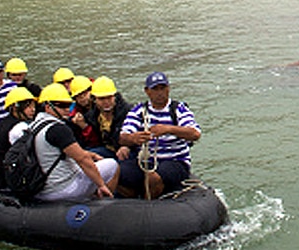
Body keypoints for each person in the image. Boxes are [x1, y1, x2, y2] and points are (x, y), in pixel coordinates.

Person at [117, 71, 201, 199]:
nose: (160, 93)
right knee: (116, 172)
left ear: (168, 89)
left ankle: (147, 205)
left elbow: (195, 134)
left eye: (163, 88)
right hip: (146, 162)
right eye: (155, 89)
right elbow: (123, 137)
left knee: (153, 177)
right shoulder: (139, 111)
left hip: (175, 161)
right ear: (147, 91)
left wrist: (169, 129)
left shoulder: (178, 109)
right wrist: (133, 138)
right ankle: (132, 199)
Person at [29, 83, 118, 201]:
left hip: (42, 187)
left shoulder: (34, 125)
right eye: (62, 106)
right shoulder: (58, 129)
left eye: (69, 105)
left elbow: (67, 152)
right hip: (62, 189)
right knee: (112, 165)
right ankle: (102, 203)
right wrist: (101, 184)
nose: (67, 110)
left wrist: (91, 155)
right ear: (48, 107)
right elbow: (82, 160)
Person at [0, 87, 37, 192]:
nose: (33, 109)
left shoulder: (5, 122)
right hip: (2, 183)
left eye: (33, 106)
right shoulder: (18, 128)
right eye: (28, 106)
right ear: (15, 107)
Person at [91, 77, 131, 159]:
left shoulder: (128, 112)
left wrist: (127, 146)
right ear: (94, 99)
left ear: (114, 97)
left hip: (127, 151)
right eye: (102, 99)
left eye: (109, 97)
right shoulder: (92, 115)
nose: (106, 102)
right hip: (108, 150)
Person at [65, 75, 99, 150]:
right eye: (78, 96)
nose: (82, 98)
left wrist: (84, 126)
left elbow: (99, 140)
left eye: (84, 94)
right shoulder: (75, 114)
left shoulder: (100, 106)